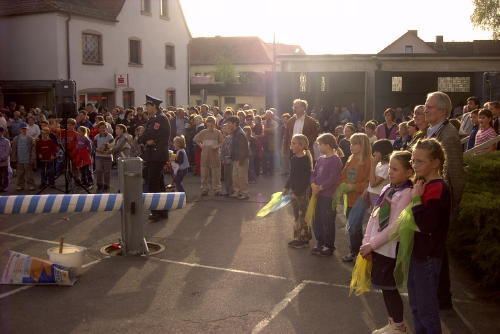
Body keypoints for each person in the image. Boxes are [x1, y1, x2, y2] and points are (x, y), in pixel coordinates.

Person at [360, 151, 414, 334]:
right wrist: (366, 240)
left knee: (389, 288)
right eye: (389, 167)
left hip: (389, 248)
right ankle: (392, 322)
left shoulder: (406, 194)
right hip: (377, 246)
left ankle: (399, 326)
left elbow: (395, 228)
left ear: (409, 172)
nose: (390, 172)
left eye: (395, 169)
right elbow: (374, 217)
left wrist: (372, 244)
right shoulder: (387, 188)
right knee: (384, 288)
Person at [424, 91, 465, 310]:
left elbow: (456, 172)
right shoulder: (430, 130)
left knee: (437, 250)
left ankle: (442, 297)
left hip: (440, 201)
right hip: (427, 197)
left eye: (429, 106)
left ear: (441, 110)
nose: (425, 109)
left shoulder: (448, 134)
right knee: (434, 249)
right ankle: (438, 293)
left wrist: (453, 206)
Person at [408, 138, 451, 333]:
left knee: (426, 310)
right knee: (417, 307)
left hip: (427, 256)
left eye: (419, 161)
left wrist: (416, 199)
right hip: (417, 254)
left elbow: (426, 225)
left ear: (435, 163)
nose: (414, 165)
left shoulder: (437, 188)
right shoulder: (423, 184)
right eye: (413, 160)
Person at [339, 133, 372, 262]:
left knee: (354, 226)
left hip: (360, 199)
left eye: (354, 144)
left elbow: (370, 182)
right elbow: (343, 175)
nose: (351, 146)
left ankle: (357, 252)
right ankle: (357, 251)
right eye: (351, 143)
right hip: (350, 198)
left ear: (362, 145)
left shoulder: (369, 160)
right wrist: (343, 185)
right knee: (354, 227)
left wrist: (355, 187)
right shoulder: (351, 158)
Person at [139, 95, 171, 221]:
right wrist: (147, 140)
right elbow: (150, 135)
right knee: (159, 183)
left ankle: (157, 212)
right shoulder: (155, 118)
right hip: (155, 155)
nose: (146, 107)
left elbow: (151, 133)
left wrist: (141, 139)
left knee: (153, 184)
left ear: (154, 106)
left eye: (147, 105)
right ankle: (163, 211)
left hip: (157, 155)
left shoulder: (159, 118)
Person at [310, 133, 343, 256]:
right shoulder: (320, 159)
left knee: (327, 220)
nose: (318, 147)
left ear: (327, 145)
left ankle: (329, 245)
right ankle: (320, 242)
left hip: (328, 196)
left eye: (320, 144)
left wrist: (321, 187)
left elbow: (333, 178)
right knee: (317, 219)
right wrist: (313, 184)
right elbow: (313, 173)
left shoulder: (335, 160)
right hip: (317, 194)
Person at [284, 134, 313, 249]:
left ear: (301, 146)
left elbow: (305, 178)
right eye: (291, 143)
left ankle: (304, 239)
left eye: (294, 143)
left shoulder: (305, 159)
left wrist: (298, 192)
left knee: (302, 215)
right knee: (296, 215)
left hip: (301, 192)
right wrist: (286, 187)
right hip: (294, 191)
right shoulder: (294, 158)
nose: (291, 145)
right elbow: (292, 175)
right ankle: (297, 237)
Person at [282, 99, 320, 167]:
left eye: (296, 107)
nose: (294, 108)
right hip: (293, 150)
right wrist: (285, 149)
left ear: (303, 108)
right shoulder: (290, 121)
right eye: (294, 107)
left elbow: (315, 135)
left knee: (305, 170)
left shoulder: (311, 121)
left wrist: (304, 144)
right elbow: (286, 136)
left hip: (305, 150)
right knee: (294, 169)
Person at [194, 116, 224, 196]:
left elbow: (222, 142)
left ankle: (217, 189)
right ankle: (204, 188)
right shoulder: (203, 132)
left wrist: (217, 146)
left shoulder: (218, 132)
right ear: (206, 124)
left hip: (215, 155)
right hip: (205, 155)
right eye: (209, 124)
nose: (210, 126)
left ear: (215, 124)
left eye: (212, 125)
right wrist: (201, 145)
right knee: (204, 173)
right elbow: (196, 139)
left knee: (216, 173)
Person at [226, 116, 249, 200]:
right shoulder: (235, 132)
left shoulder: (240, 133)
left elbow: (244, 148)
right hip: (236, 158)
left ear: (234, 124)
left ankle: (244, 193)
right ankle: (237, 192)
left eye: (229, 123)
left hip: (241, 159)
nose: (227, 125)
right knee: (235, 176)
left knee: (242, 177)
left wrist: (241, 160)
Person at [366, 139, 393, 206]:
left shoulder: (386, 167)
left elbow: (373, 184)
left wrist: (373, 166)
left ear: (384, 152)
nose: (374, 154)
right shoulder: (379, 164)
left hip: (379, 196)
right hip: (373, 195)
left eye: (377, 151)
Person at [11, 123, 36, 191]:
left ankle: (31, 185)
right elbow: (14, 149)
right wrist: (13, 158)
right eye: (22, 129)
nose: (23, 130)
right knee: (20, 174)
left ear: (27, 129)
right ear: (20, 130)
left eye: (25, 129)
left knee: (29, 174)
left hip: (28, 159)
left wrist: (32, 158)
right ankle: (20, 185)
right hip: (19, 159)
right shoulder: (16, 138)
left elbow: (33, 150)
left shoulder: (30, 138)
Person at [93, 121, 114, 192]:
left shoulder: (110, 136)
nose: (102, 129)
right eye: (101, 128)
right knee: (98, 170)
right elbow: (94, 146)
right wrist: (97, 149)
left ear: (106, 128)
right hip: (98, 156)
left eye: (104, 128)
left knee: (107, 171)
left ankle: (106, 184)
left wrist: (105, 150)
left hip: (107, 156)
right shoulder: (96, 137)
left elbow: (111, 146)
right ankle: (99, 184)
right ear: (98, 129)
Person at [220, 123, 233, 196]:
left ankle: (232, 190)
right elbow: (223, 150)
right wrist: (222, 158)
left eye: (226, 128)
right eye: (223, 128)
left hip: (231, 159)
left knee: (231, 176)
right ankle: (228, 190)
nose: (224, 129)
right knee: (226, 176)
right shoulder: (223, 137)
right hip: (225, 159)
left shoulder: (231, 137)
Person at [0, 127, 11, 192]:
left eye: (0, 132)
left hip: (4, 162)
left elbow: (8, 151)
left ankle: (5, 187)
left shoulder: (6, 141)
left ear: (2, 132)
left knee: (5, 175)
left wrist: (2, 158)